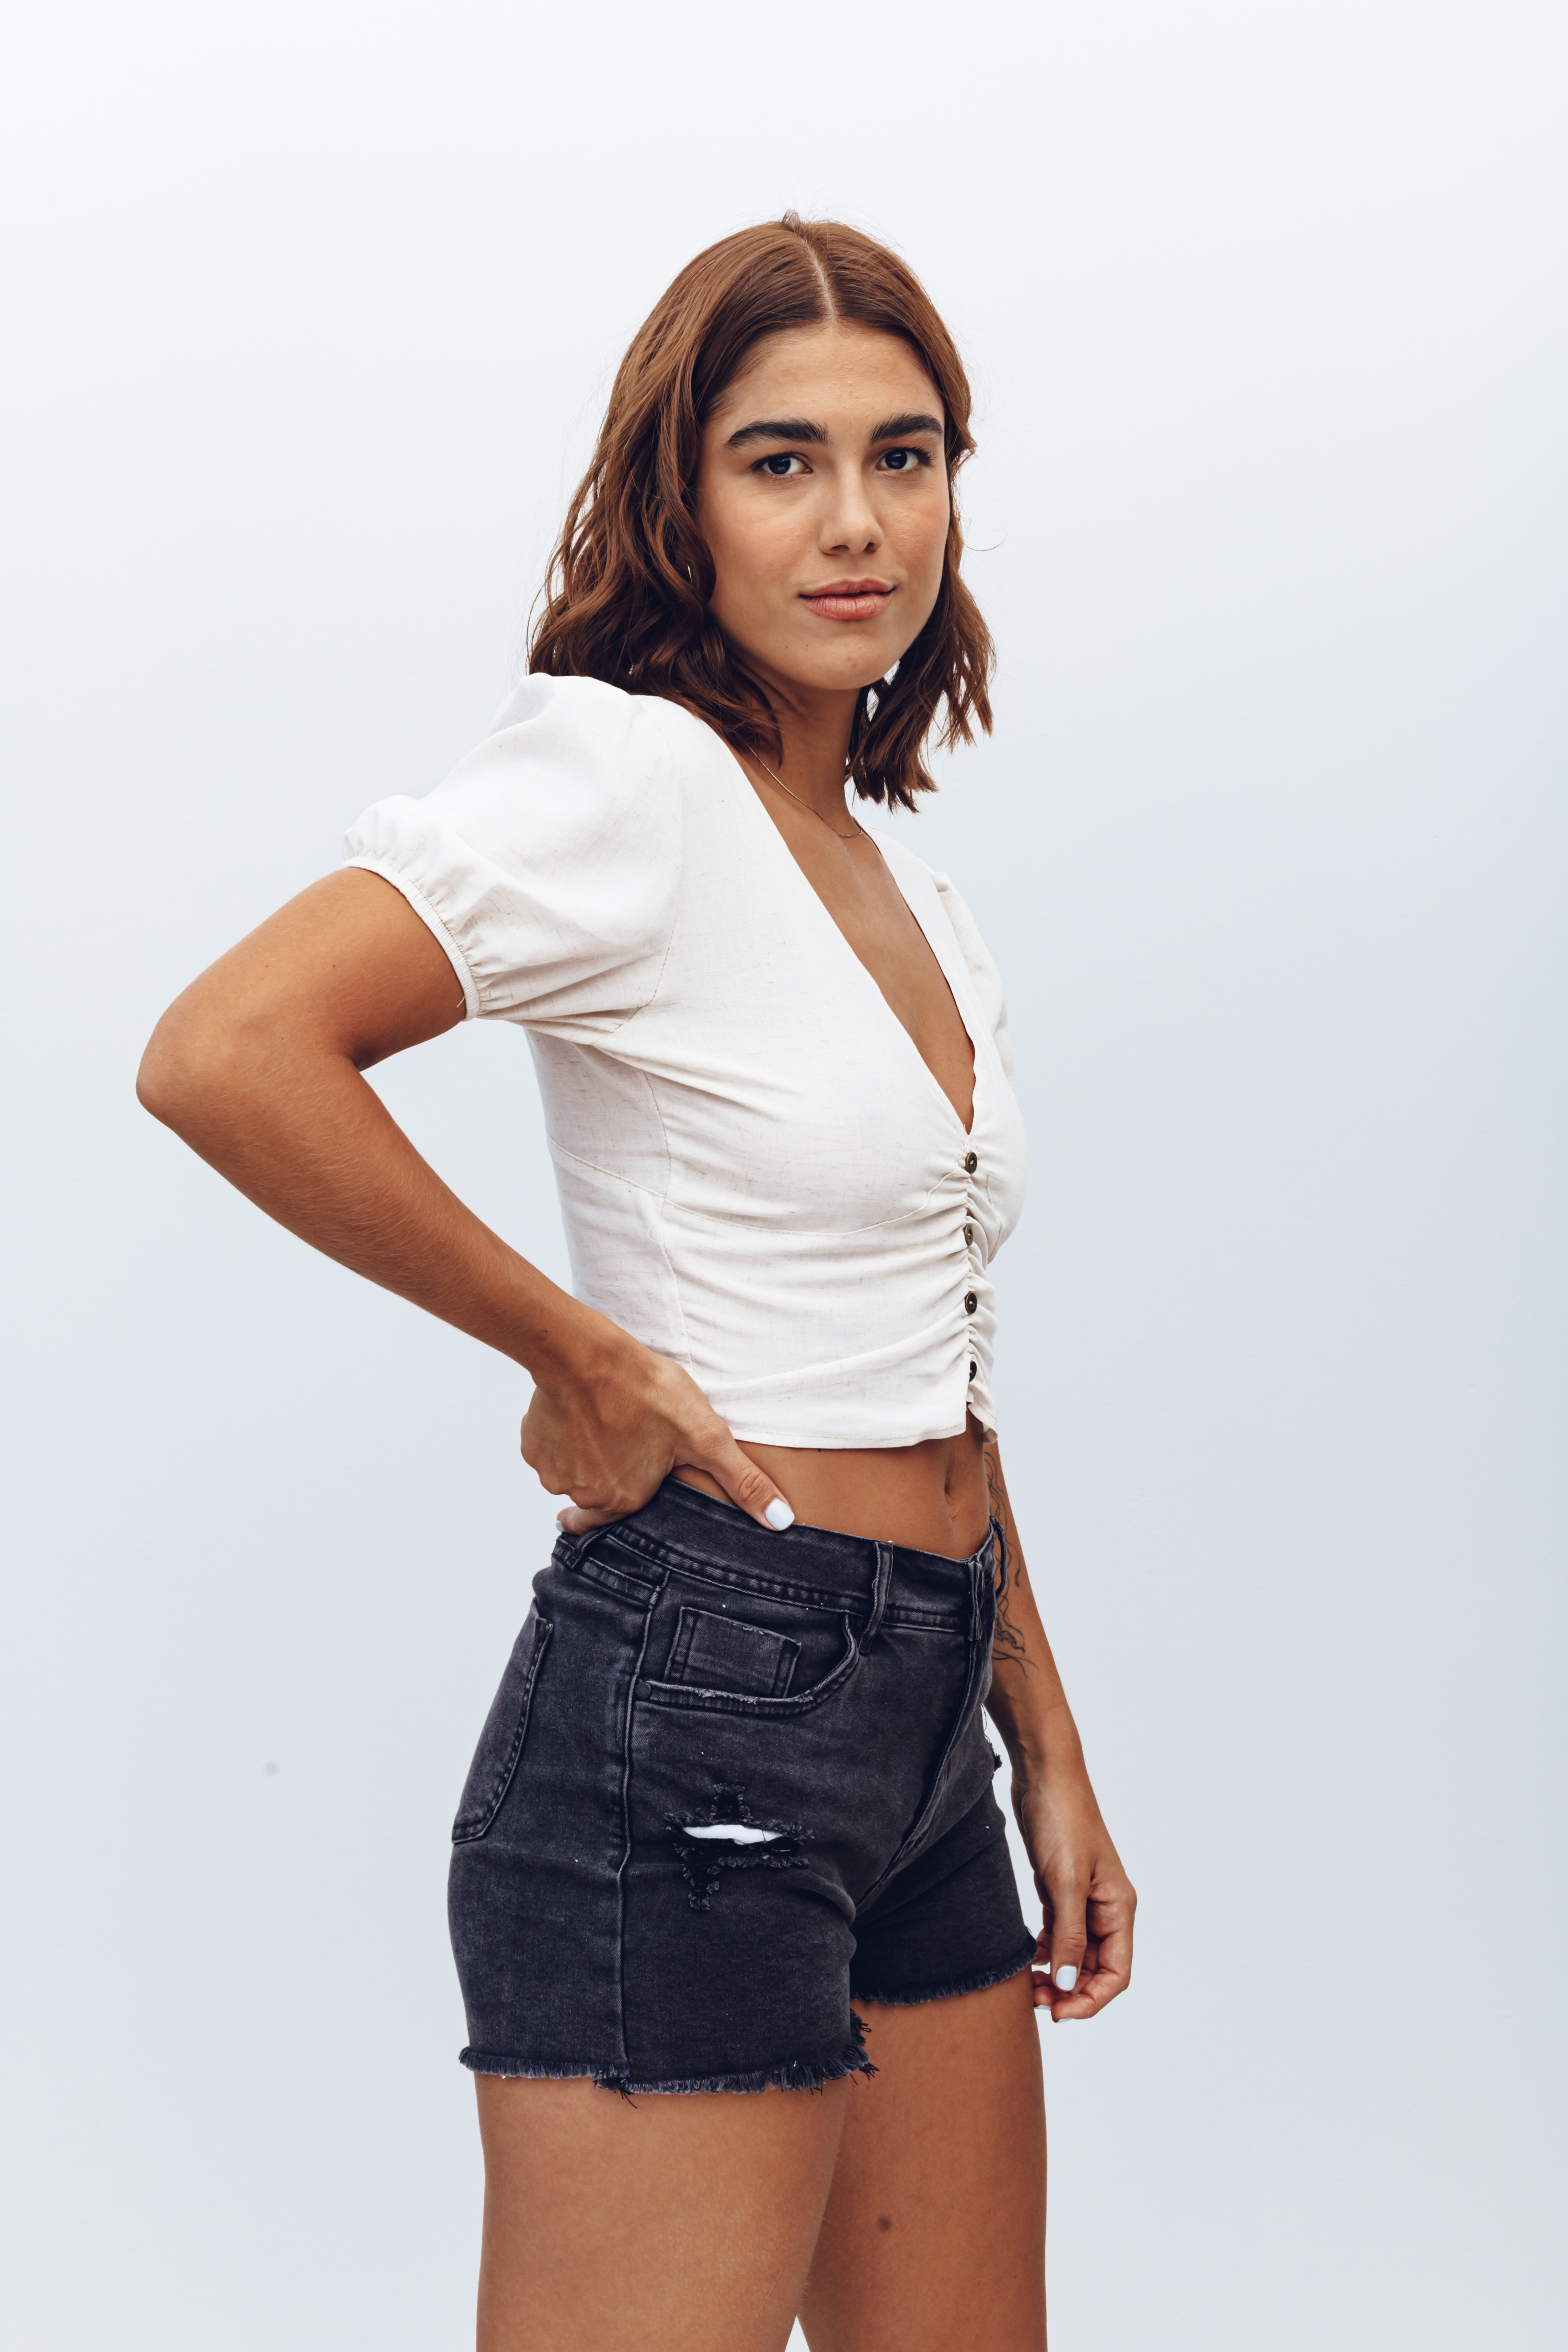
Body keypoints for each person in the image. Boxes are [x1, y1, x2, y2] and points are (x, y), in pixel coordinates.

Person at [138, 214, 1136, 2352]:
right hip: (701, 1697)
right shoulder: (626, 778)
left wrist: (1042, 1736)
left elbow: (928, 1361)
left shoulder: (901, 877)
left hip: (922, 1721)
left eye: (904, 454)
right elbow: (225, 1051)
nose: (856, 520)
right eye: (783, 461)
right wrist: (571, 1348)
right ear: (680, 499)